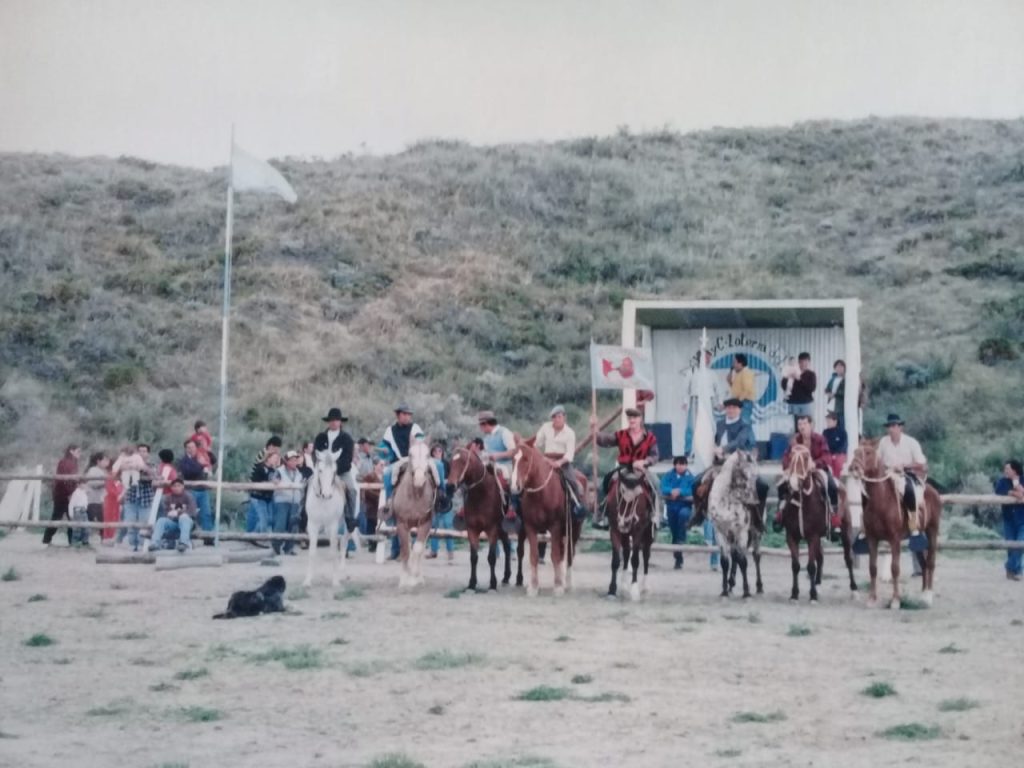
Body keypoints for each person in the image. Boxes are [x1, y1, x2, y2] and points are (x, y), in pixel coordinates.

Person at [591, 407, 661, 528]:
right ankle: (601, 513)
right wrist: (594, 430)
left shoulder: (650, 438)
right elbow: (603, 440)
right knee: (605, 481)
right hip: (623, 468)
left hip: (641, 470)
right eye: (630, 418)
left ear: (640, 419)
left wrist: (645, 461)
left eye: (635, 417)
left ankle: (657, 515)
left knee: (656, 483)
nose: (632, 420)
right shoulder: (621, 434)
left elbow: (655, 456)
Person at [777, 415, 838, 529]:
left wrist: (815, 463)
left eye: (804, 424)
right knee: (782, 484)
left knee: (832, 486)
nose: (802, 427)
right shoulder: (794, 440)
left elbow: (826, 456)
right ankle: (780, 513)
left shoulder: (820, 439)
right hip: (798, 469)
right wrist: (787, 467)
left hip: (816, 469)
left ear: (811, 425)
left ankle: (833, 515)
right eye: (799, 424)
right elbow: (786, 456)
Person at [877, 413, 928, 545]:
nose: (891, 429)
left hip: (906, 473)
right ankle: (867, 527)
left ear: (900, 427)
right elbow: (878, 460)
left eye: (894, 426)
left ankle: (913, 524)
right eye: (889, 426)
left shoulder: (911, 442)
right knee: (872, 492)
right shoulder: (883, 442)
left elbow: (921, 463)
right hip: (887, 474)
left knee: (908, 490)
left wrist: (904, 466)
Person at [534, 404, 586, 518]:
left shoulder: (570, 432)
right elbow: (537, 443)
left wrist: (558, 463)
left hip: (563, 462)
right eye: (554, 417)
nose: (556, 419)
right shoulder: (545, 427)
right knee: (531, 477)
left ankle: (577, 506)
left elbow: (569, 454)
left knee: (572, 481)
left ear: (564, 417)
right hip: (546, 459)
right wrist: (542, 458)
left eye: (559, 417)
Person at [313, 408, 358, 532]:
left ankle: (350, 518)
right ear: (328, 422)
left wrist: (334, 470)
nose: (334, 422)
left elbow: (348, 458)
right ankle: (303, 515)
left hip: (342, 472)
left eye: (336, 420)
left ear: (340, 422)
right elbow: (315, 455)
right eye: (331, 420)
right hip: (323, 471)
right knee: (307, 485)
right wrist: (321, 469)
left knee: (352, 490)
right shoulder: (320, 437)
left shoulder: (347, 438)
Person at [112, 444, 155, 551]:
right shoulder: (126, 461)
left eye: (144, 451)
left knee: (143, 524)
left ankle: (141, 546)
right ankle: (132, 545)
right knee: (130, 523)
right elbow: (116, 473)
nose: (142, 453)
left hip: (145, 498)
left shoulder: (151, 464)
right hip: (131, 497)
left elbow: (153, 475)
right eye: (140, 451)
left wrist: (142, 468)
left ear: (148, 453)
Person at [661, 456, 695, 569]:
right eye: (679, 464)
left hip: (685, 506)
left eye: (683, 464)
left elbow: (693, 489)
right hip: (671, 507)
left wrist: (680, 492)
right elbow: (663, 486)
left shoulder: (691, 477)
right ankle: (678, 558)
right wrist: (671, 491)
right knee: (674, 533)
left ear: (686, 465)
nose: (681, 466)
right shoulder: (668, 475)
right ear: (675, 465)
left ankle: (682, 538)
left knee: (683, 515)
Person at [43, 444, 80, 546]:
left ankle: (48, 539)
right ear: (71, 451)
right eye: (78, 451)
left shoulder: (72, 462)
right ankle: (70, 540)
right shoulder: (65, 462)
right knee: (61, 517)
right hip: (63, 494)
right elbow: (64, 479)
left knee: (65, 516)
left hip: (65, 493)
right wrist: (70, 492)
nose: (79, 454)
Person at [272, 450, 305, 556]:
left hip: (295, 502)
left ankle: (289, 548)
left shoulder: (299, 473)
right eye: (292, 460)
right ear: (286, 461)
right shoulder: (279, 471)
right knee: (280, 526)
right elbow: (274, 480)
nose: (295, 462)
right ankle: (276, 547)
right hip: (282, 501)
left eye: (296, 460)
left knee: (294, 526)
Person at [995, 459, 1024, 581]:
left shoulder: (1023, 479)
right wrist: (1013, 492)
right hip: (1008, 519)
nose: (1005, 471)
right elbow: (999, 492)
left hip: (1022, 518)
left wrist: (1016, 484)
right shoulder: (1002, 481)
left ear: (1014, 470)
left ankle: (1010, 566)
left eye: (1008, 468)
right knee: (1010, 545)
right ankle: (1015, 571)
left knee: (1020, 544)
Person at [426, 443, 455, 563]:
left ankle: (450, 552)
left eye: (440, 451)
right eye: (435, 451)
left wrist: (448, 493)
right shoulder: (429, 465)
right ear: (432, 453)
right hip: (433, 498)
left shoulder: (447, 464)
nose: (438, 453)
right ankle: (434, 550)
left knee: (448, 525)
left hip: (445, 498)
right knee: (434, 525)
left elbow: (452, 480)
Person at [150, 478, 197, 552]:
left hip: (187, 523)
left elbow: (192, 512)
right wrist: (169, 514)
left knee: (183, 518)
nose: (176, 488)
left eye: (178, 486)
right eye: (174, 486)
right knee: (161, 520)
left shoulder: (189, 496)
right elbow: (165, 512)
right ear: (171, 487)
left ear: (183, 486)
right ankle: (155, 543)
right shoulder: (168, 498)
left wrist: (178, 513)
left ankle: (183, 543)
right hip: (173, 523)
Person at [177, 439, 213, 531]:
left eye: (193, 447)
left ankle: (208, 537)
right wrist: (202, 466)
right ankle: (187, 535)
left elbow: (213, 461)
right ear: (185, 449)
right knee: (190, 514)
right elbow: (190, 472)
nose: (191, 449)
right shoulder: (183, 461)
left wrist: (208, 452)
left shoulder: (201, 457)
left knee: (206, 514)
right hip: (190, 491)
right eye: (188, 447)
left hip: (203, 490)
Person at [248, 449, 280, 534]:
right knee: (263, 519)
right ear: (268, 458)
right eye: (274, 458)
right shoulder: (260, 468)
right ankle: (256, 537)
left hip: (268, 498)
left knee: (270, 519)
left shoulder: (273, 470)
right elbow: (255, 482)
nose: (276, 460)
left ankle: (253, 536)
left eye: (277, 458)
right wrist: (270, 482)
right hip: (259, 497)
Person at [783, 352, 816, 430]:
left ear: (809, 362)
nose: (804, 364)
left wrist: (800, 379)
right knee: (793, 427)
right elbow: (784, 386)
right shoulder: (792, 371)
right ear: (799, 362)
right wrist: (788, 377)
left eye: (806, 361)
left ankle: (807, 441)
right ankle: (795, 441)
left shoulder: (811, 374)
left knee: (807, 426)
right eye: (802, 361)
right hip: (792, 404)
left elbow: (812, 388)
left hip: (806, 404)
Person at [726, 353, 757, 425]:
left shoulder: (746, 372)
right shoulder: (739, 373)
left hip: (744, 402)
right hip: (740, 402)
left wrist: (737, 402)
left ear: (740, 363)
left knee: (745, 424)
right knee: (740, 426)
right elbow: (729, 381)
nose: (733, 364)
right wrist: (731, 370)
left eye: (734, 362)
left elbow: (747, 389)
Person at [84, 452, 109, 528]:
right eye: (104, 460)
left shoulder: (104, 471)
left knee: (102, 522)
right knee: (92, 521)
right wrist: (105, 483)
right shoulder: (93, 470)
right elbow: (92, 483)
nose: (106, 462)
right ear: (98, 461)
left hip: (101, 500)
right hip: (94, 500)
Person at [822, 411, 848, 478]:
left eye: (829, 421)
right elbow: (823, 444)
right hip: (829, 454)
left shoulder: (842, 432)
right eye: (827, 421)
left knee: (837, 462)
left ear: (835, 421)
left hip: (839, 454)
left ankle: (836, 479)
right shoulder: (825, 432)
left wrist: (835, 454)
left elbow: (843, 445)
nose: (827, 423)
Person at [68, 479, 91, 548]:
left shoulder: (84, 492)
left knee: (86, 528)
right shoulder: (76, 493)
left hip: (84, 512)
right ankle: (75, 543)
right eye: (82, 484)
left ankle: (85, 541)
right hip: (78, 511)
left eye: (85, 484)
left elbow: (86, 502)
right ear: (78, 484)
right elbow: (71, 504)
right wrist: (71, 514)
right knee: (77, 529)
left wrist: (86, 507)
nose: (84, 485)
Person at [824, 360, 846, 429]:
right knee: (832, 425)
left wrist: (835, 394)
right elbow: (827, 389)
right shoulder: (833, 378)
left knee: (841, 425)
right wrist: (828, 393)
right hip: (831, 405)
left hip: (841, 406)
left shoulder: (846, 379)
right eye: (837, 366)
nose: (839, 368)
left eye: (841, 366)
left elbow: (845, 392)